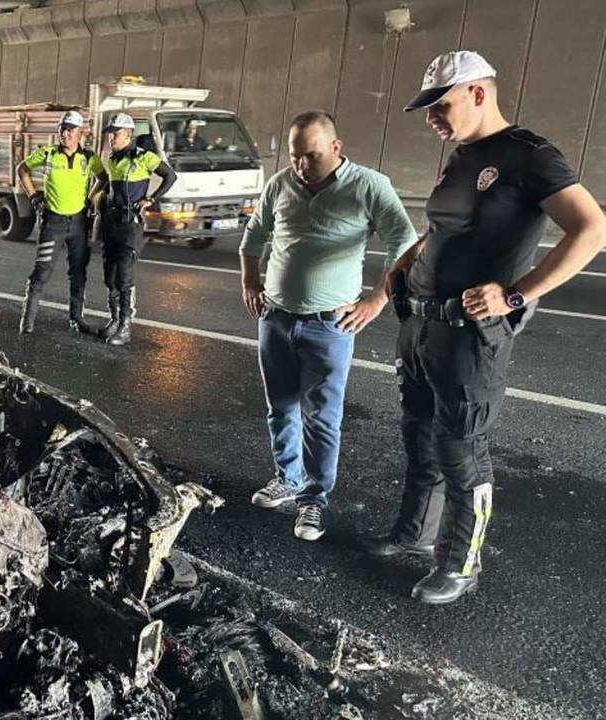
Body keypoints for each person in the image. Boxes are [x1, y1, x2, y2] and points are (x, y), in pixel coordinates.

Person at [361, 51, 606, 604]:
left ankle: (460, 564)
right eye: (427, 108)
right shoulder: (461, 158)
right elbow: (441, 231)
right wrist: (401, 268)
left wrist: (516, 294)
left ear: (477, 92)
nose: (431, 117)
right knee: (420, 437)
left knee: (461, 449)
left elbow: (592, 229)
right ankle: (415, 535)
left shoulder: (529, 155)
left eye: (440, 104)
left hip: (471, 336)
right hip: (422, 324)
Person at [239, 111, 418, 542]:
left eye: (312, 156)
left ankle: (314, 499)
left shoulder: (368, 186)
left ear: (336, 148)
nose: (302, 166)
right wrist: (250, 282)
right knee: (281, 406)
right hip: (276, 318)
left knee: (321, 418)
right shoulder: (280, 184)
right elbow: (253, 238)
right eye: (296, 156)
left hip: (329, 326)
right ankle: (288, 477)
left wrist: (377, 299)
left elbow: (406, 244)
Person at [88, 112, 177, 345]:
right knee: (110, 276)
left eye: (115, 134)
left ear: (128, 134)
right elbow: (109, 187)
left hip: (130, 224)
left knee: (124, 275)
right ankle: (115, 319)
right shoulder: (112, 160)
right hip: (111, 222)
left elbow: (170, 176)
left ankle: (125, 326)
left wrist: (151, 198)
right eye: (109, 134)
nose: (111, 138)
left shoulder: (143, 157)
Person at [16, 109, 96, 334]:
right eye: (62, 129)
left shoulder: (89, 158)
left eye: (70, 130)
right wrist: (34, 197)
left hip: (79, 224)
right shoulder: (48, 153)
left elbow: (103, 178)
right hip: (53, 223)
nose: (65, 134)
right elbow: (22, 169)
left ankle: (76, 319)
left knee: (78, 273)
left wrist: (91, 198)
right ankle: (27, 322)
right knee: (41, 272)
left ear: (80, 133)